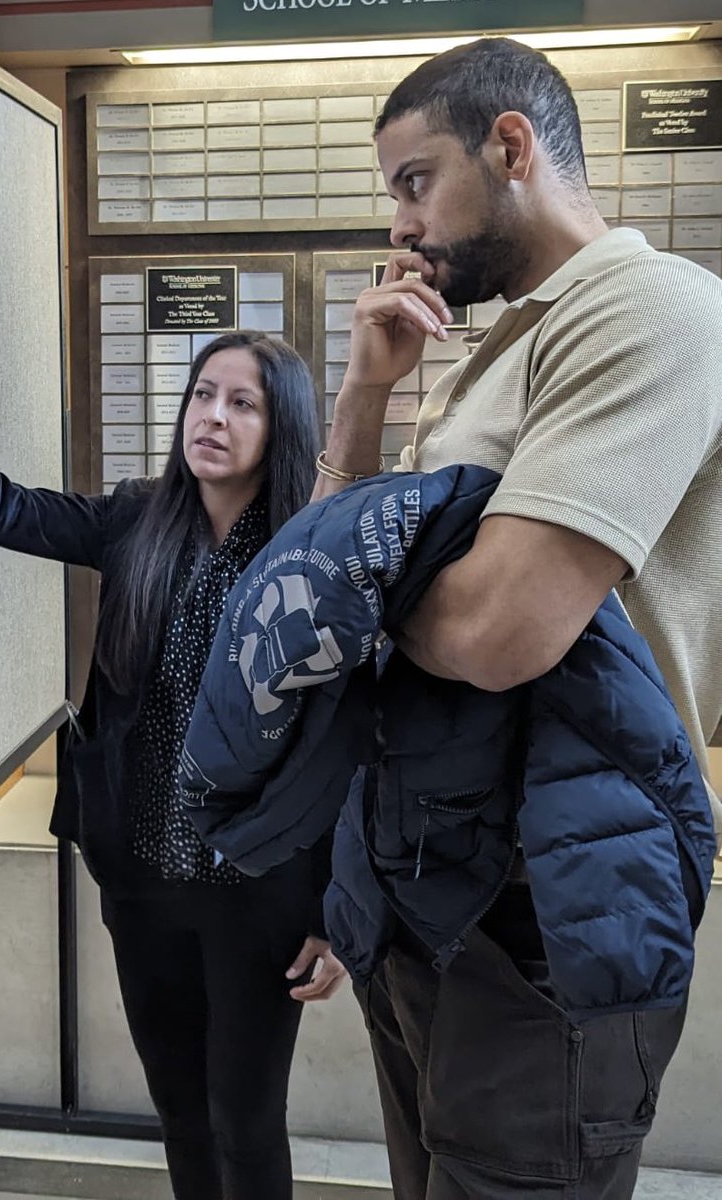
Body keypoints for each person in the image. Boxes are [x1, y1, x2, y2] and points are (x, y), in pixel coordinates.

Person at [307, 36, 722, 1200]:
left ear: (510, 147)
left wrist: (367, 604)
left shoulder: (654, 310)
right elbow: (315, 579)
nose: (400, 227)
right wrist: (363, 393)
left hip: (557, 900)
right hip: (430, 874)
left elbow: (499, 633)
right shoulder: (491, 345)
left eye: (412, 182)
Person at [0, 288, 348, 1200]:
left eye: (244, 403)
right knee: (180, 1108)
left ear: (283, 427)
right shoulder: (136, 518)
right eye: (204, 394)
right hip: (143, 879)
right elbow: (1, 508)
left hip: (261, 893)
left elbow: (340, 742)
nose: (213, 416)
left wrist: (336, 907)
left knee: (246, 1117)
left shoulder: (307, 548)